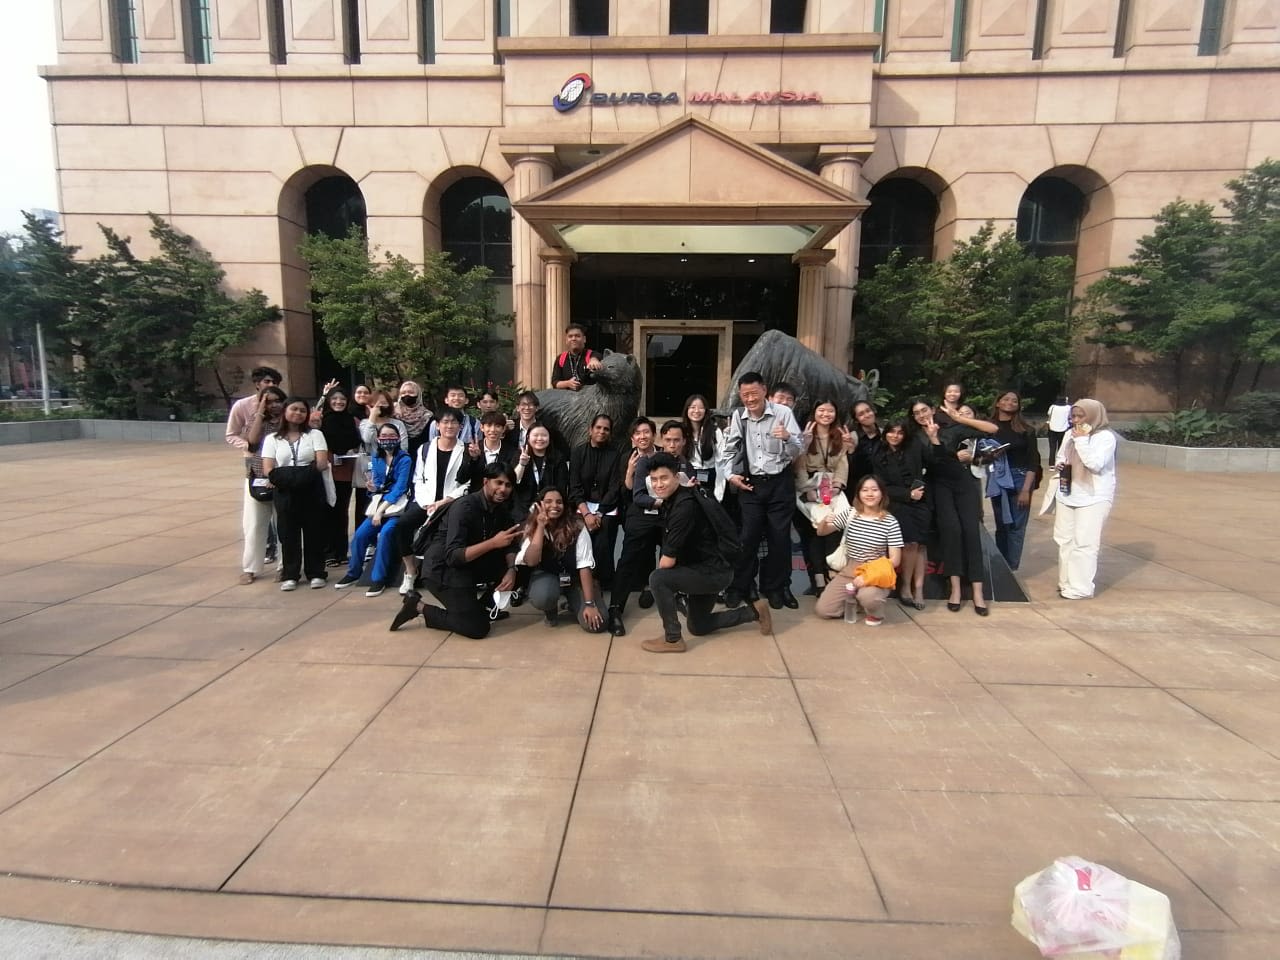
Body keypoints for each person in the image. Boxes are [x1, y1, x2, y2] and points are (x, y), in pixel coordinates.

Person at [641, 453, 773, 653]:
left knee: (658, 579)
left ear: (677, 477)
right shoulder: (681, 496)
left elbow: (666, 564)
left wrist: (669, 589)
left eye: (664, 478)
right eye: (654, 480)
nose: (659, 484)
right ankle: (754, 612)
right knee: (698, 626)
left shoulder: (683, 508)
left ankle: (673, 639)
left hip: (712, 573)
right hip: (708, 568)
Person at [390, 463, 522, 638]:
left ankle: (482, 610)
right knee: (477, 628)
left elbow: (510, 544)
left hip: (472, 564)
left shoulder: (501, 509)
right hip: (443, 570)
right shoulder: (464, 507)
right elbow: (454, 556)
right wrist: (493, 543)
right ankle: (419, 607)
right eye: (498, 483)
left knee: (523, 568)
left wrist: (511, 569)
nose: (503, 489)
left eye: (508, 485)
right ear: (485, 482)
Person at [719, 372, 804, 610]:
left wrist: (787, 438)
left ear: (764, 391)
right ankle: (739, 588)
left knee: (779, 539)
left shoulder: (783, 413)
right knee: (748, 539)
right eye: (745, 395)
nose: (749, 399)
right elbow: (729, 450)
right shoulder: (739, 416)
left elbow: (799, 449)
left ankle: (775, 588)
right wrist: (730, 475)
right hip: (751, 485)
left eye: (754, 393)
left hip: (780, 483)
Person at [912, 397, 998, 615]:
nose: (922, 415)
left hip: (963, 484)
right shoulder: (915, 438)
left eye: (924, 410)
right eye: (917, 413)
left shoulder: (951, 428)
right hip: (939, 487)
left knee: (971, 532)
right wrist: (934, 441)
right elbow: (934, 462)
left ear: (932, 409)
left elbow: (992, 429)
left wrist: (961, 418)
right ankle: (956, 589)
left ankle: (978, 591)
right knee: (952, 532)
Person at [395, 408, 474, 596]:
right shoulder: (425, 448)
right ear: (437, 425)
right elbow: (418, 479)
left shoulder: (466, 450)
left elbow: (467, 483)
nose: (449, 426)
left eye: (453, 422)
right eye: (445, 422)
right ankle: (410, 570)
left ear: (460, 426)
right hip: (425, 501)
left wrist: (445, 501)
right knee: (402, 526)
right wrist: (427, 503)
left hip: (451, 502)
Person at [336, 422, 413, 597]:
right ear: (378, 439)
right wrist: (372, 487)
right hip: (379, 504)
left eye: (391, 436)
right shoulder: (376, 458)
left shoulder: (405, 459)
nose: (388, 440)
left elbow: (400, 487)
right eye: (384, 436)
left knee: (386, 534)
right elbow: (378, 484)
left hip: (397, 508)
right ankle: (353, 572)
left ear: (398, 438)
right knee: (360, 535)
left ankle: (379, 578)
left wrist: (380, 511)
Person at [815, 475, 904, 626]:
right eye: (865, 490)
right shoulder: (850, 514)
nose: (870, 494)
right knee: (824, 610)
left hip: (875, 571)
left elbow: (895, 560)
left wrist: (868, 576)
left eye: (874, 490)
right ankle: (856, 600)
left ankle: (875, 612)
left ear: (882, 493)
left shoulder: (890, 522)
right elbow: (821, 532)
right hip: (850, 569)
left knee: (869, 597)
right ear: (858, 494)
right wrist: (824, 522)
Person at [262, 398, 331, 591]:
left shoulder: (315, 434)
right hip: (285, 490)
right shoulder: (272, 439)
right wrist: (288, 479)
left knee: (314, 531)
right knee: (288, 532)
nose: (298, 413)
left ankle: (316, 572)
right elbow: (268, 468)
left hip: (311, 488)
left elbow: (321, 463)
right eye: (294, 409)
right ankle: (290, 574)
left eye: (302, 410)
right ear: (285, 411)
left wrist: (302, 477)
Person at [515, 487, 606, 632]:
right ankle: (551, 611)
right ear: (539, 505)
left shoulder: (577, 526)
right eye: (548, 502)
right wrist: (540, 527)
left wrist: (589, 604)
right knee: (544, 596)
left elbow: (584, 565)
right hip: (548, 576)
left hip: (575, 578)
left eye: (559, 502)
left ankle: (574, 602)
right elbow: (531, 561)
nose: (554, 506)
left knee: (597, 624)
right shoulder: (531, 526)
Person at [1053, 399, 1117, 600]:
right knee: (1065, 540)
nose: (1076, 420)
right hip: (1068, 492)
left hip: (1093, 496)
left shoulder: (1105, 437)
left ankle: (1081, 587)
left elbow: (1095, 464)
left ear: (1093, 416)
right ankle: (1066, 582)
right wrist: (1061, 465)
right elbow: (1060, 457)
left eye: (1081, 416)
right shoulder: (1068, 434)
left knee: (1085, 543)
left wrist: (1081, 440)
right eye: (1073, 416)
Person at [607, 417, 663, 637]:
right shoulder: (627, 458)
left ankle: (660, 590)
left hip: (663, 512)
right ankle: (615, 607)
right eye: (638, 433)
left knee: (671, 549)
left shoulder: (662, 454)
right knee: (629, 558)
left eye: (646, 432)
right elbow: (627, 491)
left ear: (653, 434)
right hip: (639, 512)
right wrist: (630, 470)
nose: (642, 436)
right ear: (632, 438)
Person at [794, 399, 849, 596]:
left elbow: (843, 462)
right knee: (818, 529)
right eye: (822, 410)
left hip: (833, 487)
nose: (826, 414)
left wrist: (838, 485)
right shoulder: (807, 435)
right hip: (810, 486)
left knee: (837, 526)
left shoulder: (839, 436)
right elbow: (799, 464)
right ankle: (818, 577)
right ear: (814, 413)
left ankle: (831, 572)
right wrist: (804, 488)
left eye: (830, 411)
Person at [233, 384, 286, 585]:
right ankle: (250, 568)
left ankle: (284, 566)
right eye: (269, 401)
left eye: (277, 401)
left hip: (282, 479)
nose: (274, 405)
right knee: (254, 525)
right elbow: (252, 441)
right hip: (257, 478)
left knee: (283, 526)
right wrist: (259, 413)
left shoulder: (288, 422)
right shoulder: (258, 422)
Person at [875, 420, 930, 609]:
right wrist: (908, 494)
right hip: (897, 504)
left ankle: (919, 588)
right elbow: (882, 486)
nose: (895, 436)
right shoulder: (879, 455)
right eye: (891, 432)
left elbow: (931, 460)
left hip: (921, 502)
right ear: (885, 434)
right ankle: (905, 587)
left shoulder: (913, 448)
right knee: (910, 543)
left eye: (899, 432)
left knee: (920, 545)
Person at [987, 390, 1042, 570]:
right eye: (1006, 399)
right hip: (997, 479)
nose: (1010, 402)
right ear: (998, 403)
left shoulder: (1026, 430)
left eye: (1014, 401)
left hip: (1020, 478)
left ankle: (1012, 567)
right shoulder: (989, 427)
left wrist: (1026, 490)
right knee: (1001, 525)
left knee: (1016, 526)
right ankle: (1000, 566)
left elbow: (1033, 461)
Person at [569, 414, 624, 591]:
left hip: (605, 508)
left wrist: (598, 513)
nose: (601, 431)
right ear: (590, 430)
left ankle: (600, 580)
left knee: (604, 534)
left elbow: (615, 487)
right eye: (598, 428)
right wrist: (586, 513)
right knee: (580, 532)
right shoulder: (578, 452)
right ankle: (579, 580)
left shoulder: (615, 454)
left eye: (606, 429)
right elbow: (575, 486)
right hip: (582, 506)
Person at [315, 386, 362, 567]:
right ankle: (328, 552)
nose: (338, 402)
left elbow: (356, 441)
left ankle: (341, 552)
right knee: (326, 511)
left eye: (342, 399)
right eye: (334, 399)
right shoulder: (321, 420)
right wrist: (323, 394)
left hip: (344, 471)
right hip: (326, 470)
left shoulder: (351, 420)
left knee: (341, 511)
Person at [512, 424, 569, 518]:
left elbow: (561, 487)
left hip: (549, 509)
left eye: (544, 435)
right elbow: (513, 481)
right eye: (535, 435)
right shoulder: (519, 455)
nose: (540, 438)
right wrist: (522, 464)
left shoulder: (558, 458)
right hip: (522, 509)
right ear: (528, 437)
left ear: (550, 438)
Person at [682, 394, 724, 500]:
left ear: (706, 411)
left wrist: (719, 490)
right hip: (689, 475)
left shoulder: (715, 431)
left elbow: (721, 461)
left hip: (711, 476)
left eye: (701, 407)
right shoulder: (682, 431)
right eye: (692, 407)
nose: (696, 411)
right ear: (687, 410)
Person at [551, 323, 602, 391]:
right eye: (570, 336)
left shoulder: (592, 355)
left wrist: (594, 360)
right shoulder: (560, 358)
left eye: (577, 336)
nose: (573, 338)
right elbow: (555, 383)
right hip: (567, 398)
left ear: (584, 339)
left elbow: (596, 356)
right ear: (566, 340)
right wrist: (567, 383)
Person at [394, 380, 432, 460]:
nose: (407, 395)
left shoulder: (428, 417)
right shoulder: (394, 415)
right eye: (403, 393)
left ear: (418, 395)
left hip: (420, 458)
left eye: (411, 392)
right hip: (397, 459)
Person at [848, 400, 883, 485]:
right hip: (859, 485)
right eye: (861, 414)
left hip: (882, 484)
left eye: (868, 411)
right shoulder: (852, 437)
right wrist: (851, 451)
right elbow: (848, 468)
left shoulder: (884, 435)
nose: (867, 415)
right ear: (856, 420)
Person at [1047, 395, 1071, 464]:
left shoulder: (1053, 407)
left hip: (1052, 429)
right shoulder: (1068, 408)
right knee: (1061, 447)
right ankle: (1060, 463)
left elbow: (1049, 414)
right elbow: (1070, 416)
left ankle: (1051, 464)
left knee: (1052, 448)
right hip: (1063, 429)